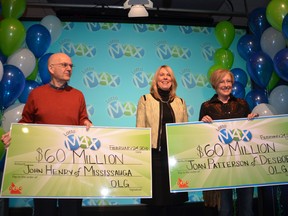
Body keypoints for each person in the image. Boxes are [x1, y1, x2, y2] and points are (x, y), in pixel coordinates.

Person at [1, 52, 92, 216]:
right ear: (51, 68)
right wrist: (14, 134)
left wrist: (87, 124)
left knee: (71, 210)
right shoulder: (37, 94)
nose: (69, 68)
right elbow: (26, 122)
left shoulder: (78, 95)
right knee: (45, 209)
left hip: (71, 165)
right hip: (43, 164)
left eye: (71, 65)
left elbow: (83, 120)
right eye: (64, 65)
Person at [199, 69, 258, 216]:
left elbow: (250, 133)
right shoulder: (206, 106)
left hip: (244, 164)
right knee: (224, 210)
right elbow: (202, 137)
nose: (226, 85)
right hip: (221, 166)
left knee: (247, 209)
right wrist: (202, 124)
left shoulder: (242, 104)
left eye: (229, 81)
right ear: (215, 84)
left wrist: (252, 120)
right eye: (222, 81)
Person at [136, 65, 188, 216]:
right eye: (162, 75)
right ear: (156, 79)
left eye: (168, 75)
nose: (165, 77)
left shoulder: (181, 102)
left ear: (172, 80)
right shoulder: (145, 99)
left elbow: (184, 130)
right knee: (156, 204)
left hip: (174, 159)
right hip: (154, 157)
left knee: (175, 203)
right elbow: (140, 129)